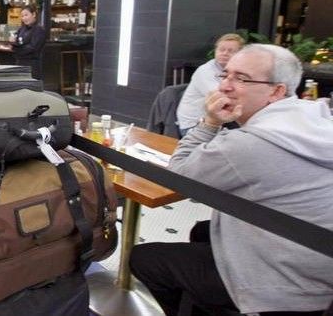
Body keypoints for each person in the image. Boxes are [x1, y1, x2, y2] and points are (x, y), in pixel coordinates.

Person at [130, 44, 333, 316]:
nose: (225, 86)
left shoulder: (250, 144)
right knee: (202, 230)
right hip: (318, 263)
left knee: (145, 259)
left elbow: (177, 177)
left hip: (285, 282)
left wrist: (210, 122)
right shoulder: (315, 119)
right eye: (225, 75)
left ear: (277, 91)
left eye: (241, 78)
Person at [176, 33, 245, 136]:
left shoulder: (236, 71)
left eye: (230, 51)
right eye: (221, 50)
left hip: (221, 122)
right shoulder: (205, 71)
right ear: (216, 51)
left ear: (240, 54)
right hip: (195, 125)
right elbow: (224, 100)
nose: (225, 53)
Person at [10, 5, 46, 80]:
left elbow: (33, 48)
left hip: (32, 66)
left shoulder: (39, 30)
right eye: (22, 16)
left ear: (34, 14)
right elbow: (16, 42)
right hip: (19, 63)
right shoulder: (21, 29)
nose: (24, 18)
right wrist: (13, 42)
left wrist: (17, 49)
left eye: (26, 15)